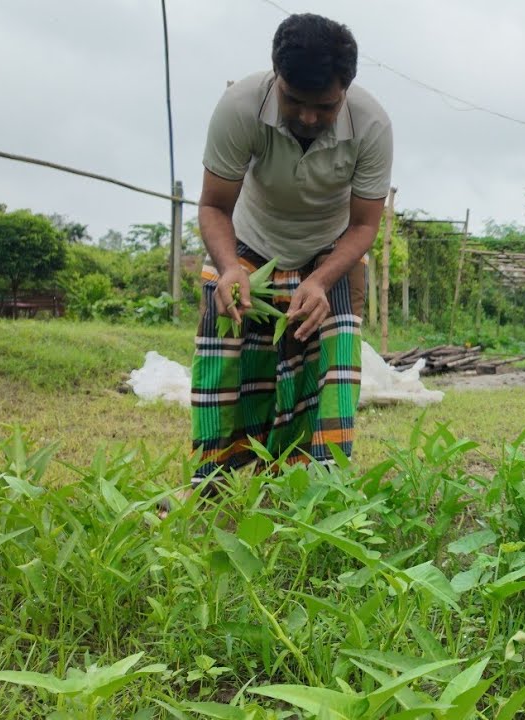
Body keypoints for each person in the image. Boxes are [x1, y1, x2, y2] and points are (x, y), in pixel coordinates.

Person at [183, 13, 392, 499]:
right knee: (227, 350)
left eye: (325, 106)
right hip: (250, 243)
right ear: (276, 76)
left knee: (334, 361)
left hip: (330, 251)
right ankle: (212, 482)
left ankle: (319, 487)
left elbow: (364, 225)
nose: (308, 117)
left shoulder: (372, 125)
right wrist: (230, 268)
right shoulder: (240, 107)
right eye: (293, 100)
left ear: (346, 89)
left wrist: (319, 282)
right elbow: (214, 205)